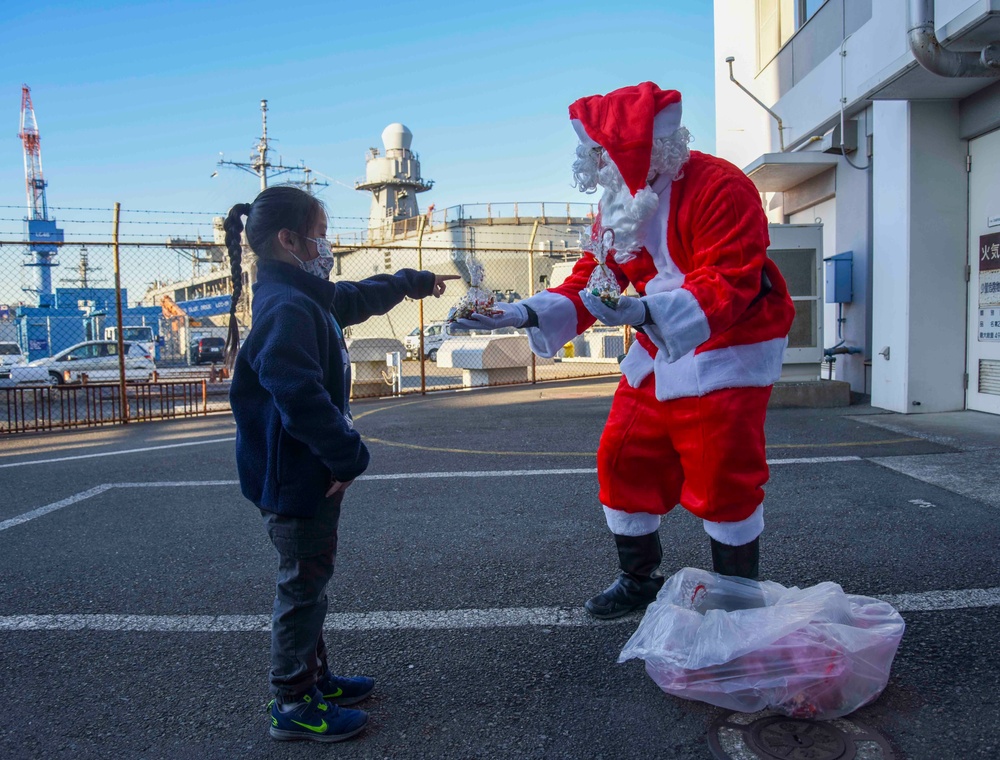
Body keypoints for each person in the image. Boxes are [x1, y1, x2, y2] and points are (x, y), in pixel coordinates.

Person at [454, 82, 795, 619]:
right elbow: (591, 280)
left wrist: (641, 312)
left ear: (639, 148)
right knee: (623, 453)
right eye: (592, 155)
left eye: (601, 154)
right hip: (659, 343)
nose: (595, 166)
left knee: (720, 469)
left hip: (729, 343)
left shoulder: (720, 186)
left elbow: (730, 278)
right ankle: (638, 578)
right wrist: (517, 312)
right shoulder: (617, 202)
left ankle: (737, 595)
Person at [223, 185, 457, 741]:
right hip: (298, 478)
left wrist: (409, 282)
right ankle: (293, 701)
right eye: (321, 232)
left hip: (304, 473)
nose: (327, 244)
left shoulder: (298, 293)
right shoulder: (286, 307)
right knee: (302, 587)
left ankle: (314, 677)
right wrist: (347, 457)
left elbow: (352, 298)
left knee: (312, 580)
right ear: (289, 240)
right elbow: (298, 395)